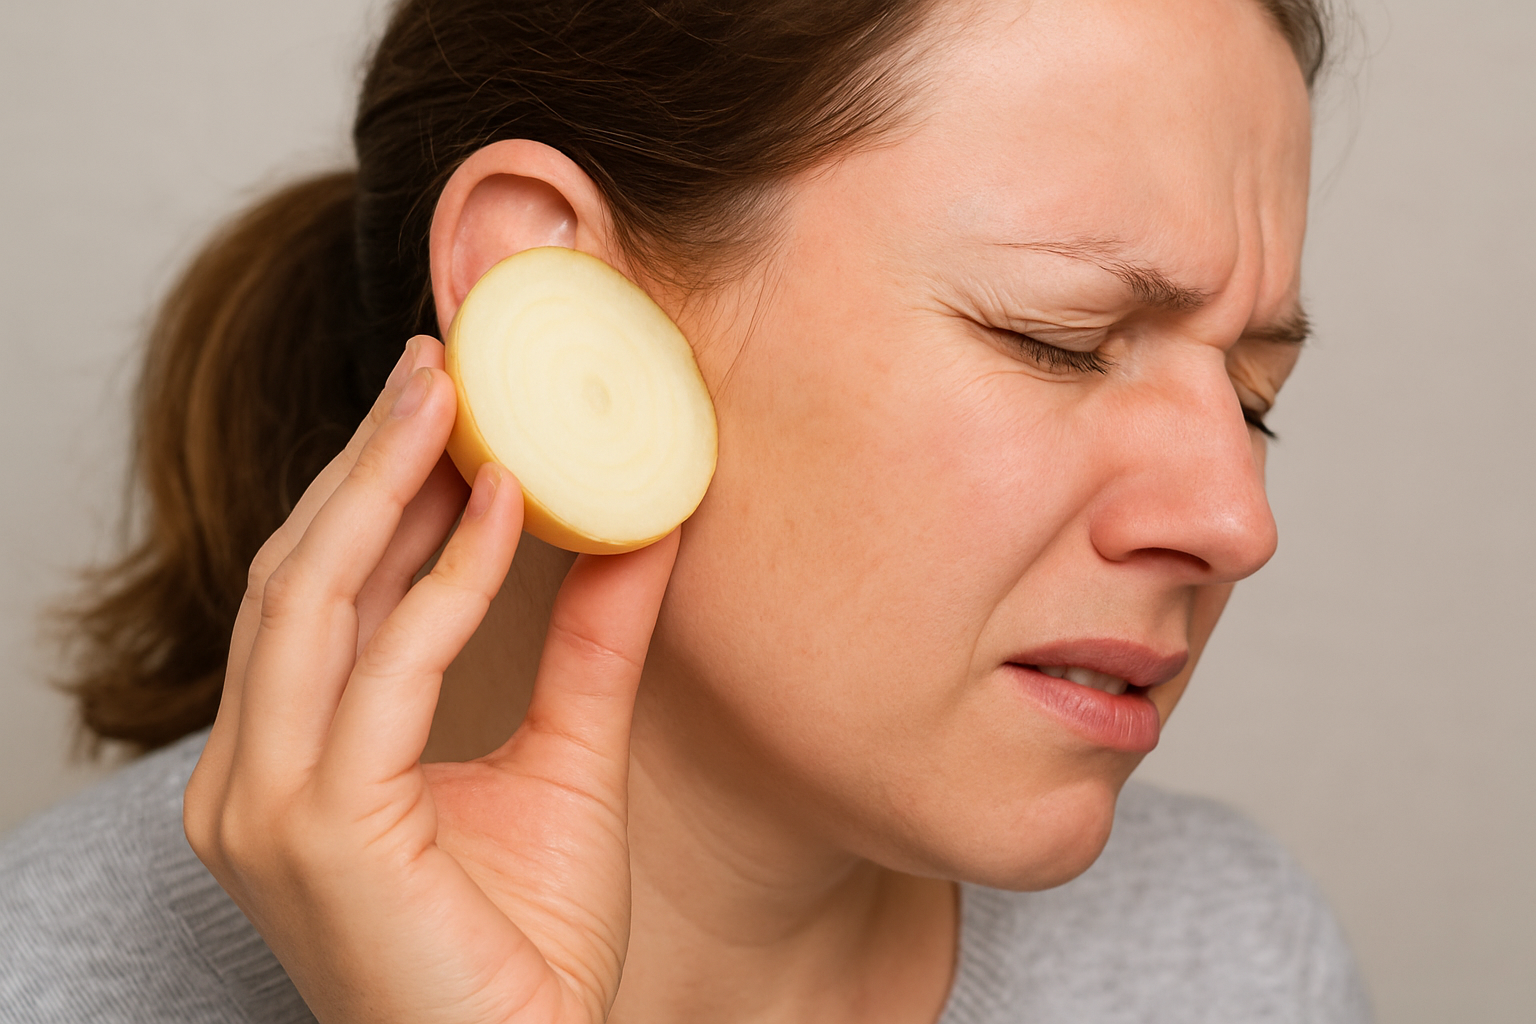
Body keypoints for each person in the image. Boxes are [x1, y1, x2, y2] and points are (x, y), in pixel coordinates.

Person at [0, 0, 1374, 1020]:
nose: (1235, 520)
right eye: (1059, 339)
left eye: (1253, 397)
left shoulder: (1233, 958)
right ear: (562, 301)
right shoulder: (52, 983)